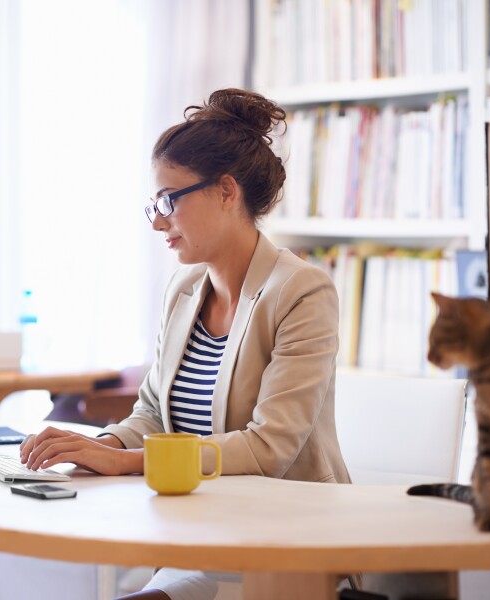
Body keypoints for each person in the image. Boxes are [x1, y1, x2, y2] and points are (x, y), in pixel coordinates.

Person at [20, 88, 351, 599]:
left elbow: (268, 450)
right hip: (201, 538)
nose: (157, 220)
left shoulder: (302, 292)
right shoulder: (184, 289)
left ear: (225, 191)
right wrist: (98, 446)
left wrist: (126, 462)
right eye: (153, 202)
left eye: (169, 200)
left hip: (287, 552)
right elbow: (153, 412)